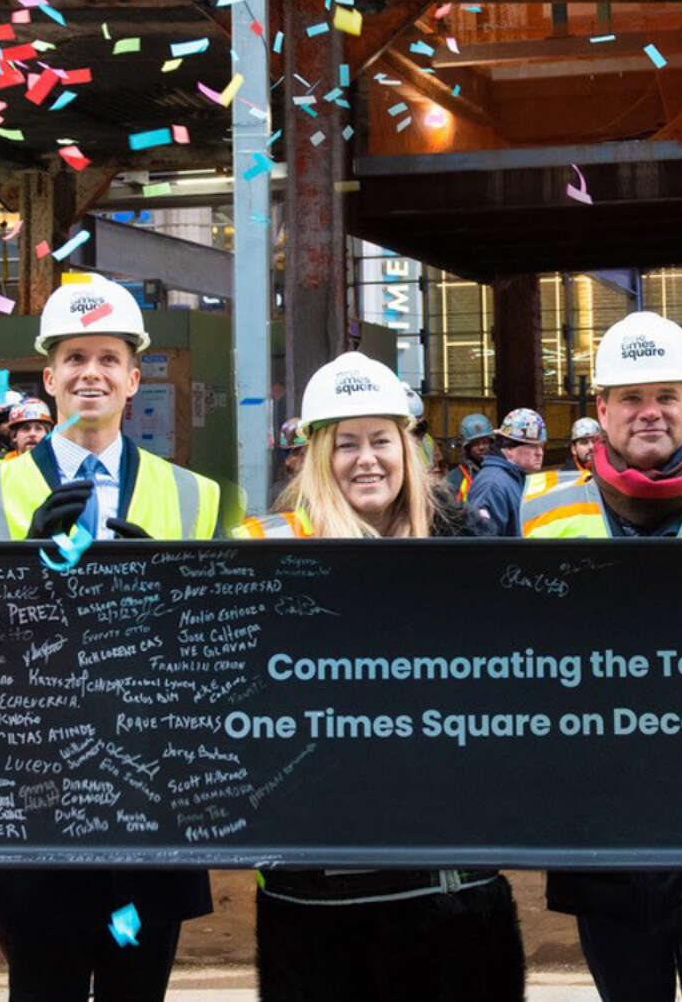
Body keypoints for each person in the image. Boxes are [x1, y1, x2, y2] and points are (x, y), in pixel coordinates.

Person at [0, 272, 224, 1002]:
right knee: (47, 990)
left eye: (107, 358)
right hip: (39, 808)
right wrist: (20, 577)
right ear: (49, 376)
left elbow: (212, 651)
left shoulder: (195, 495)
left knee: (137, 992)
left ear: (135, 377)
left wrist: (158, 596)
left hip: (148, 811)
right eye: (74, 358)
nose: (90, 372)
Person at [233, 352, 524, 1000]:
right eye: (346, 443)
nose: (366, 458)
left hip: (452, 894)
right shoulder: (264, 551)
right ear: (316, 455)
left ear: (407, 445)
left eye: (381, 439)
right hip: (316, 905)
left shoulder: (466, 551)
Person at [521, 310, 682, 1002]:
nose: (649, 412)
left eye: (666, 395)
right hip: (605, 843)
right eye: (631, 398)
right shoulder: (539, 512)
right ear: (601, 411)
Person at [465, 407, 547, 538]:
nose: (539, 453)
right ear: (509, 448)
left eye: (541, 446)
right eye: (532, 446)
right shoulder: (492, 485)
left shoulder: (513, 479)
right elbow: (482, 547)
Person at [449, 412, 495, 501]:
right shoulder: (453, 479)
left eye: (485, 442)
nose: (481, 447)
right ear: (467, 447)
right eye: (475, 443)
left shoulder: (501, 473)